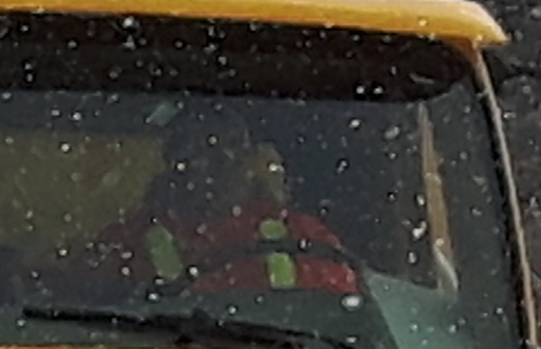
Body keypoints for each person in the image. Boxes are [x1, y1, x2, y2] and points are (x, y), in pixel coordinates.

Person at [51, 111, 367, 305]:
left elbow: (342, 322)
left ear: (249, 160)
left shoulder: (304, 238)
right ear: (172, 163)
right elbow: (74, 318)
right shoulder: (126, 243)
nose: (214, 163)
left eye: (229, 148)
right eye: (196, 149)